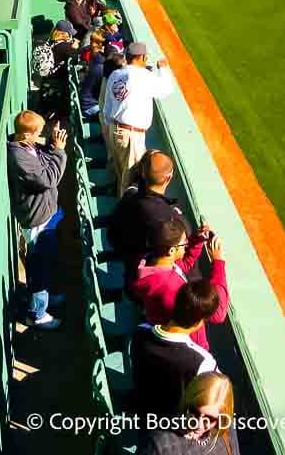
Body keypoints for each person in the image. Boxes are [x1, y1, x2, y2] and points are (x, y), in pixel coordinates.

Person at [7, 110, 68, 329]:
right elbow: (48, 179)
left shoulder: (27, 146)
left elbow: (44, 160)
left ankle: (46, 297)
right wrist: (59, 152)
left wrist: (52, 145)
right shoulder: (19, 156)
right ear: (25, 136)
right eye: (38, 133)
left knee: (47, 260)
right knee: (38, 267)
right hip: (36, 220)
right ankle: (36, 314)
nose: (40, 137)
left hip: (47, 213)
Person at [133, 219, 229, 351]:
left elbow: (183, 264)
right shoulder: (172, 289)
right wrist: (218, 263)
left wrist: (197, 240)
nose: (186, 245)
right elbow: (218, 313)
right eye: (184, 244)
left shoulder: (153, 264)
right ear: (171, 250)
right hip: (190, 347)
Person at [131, 282, 221, 418]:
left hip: (139, 409)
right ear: (200, 322)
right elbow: (216, 400)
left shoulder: (140, 331)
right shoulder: (203, 362)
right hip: (170, 428)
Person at [108, 150, 188, 290]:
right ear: (168, 178)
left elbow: (112, 236)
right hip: (144, 287)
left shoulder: (130, 194)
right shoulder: (164, 218)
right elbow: (179, 250)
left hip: (129, 269)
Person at [103, 42, 174, 192]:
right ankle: (124, 214)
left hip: (114, 129)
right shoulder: (144, 76)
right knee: (130, 182)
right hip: (131, 135)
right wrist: (163, 69)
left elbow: (107, 107)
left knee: (121, 173)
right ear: (142, 57)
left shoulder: (116, 74)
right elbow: (166, 90)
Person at [139, 373, 241, 455]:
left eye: (210, 418)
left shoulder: (226, 431)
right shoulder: (161, 445)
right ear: (187, 402)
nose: (198, 424)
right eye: (194, 412)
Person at [37, 20, 79, 121]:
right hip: (58, 84)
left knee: (47, 111)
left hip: (47, 81)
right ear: (65, 34)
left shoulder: (50, 42)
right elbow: (76, 59)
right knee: (57, 114)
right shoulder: (65, 47)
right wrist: (75, 48)